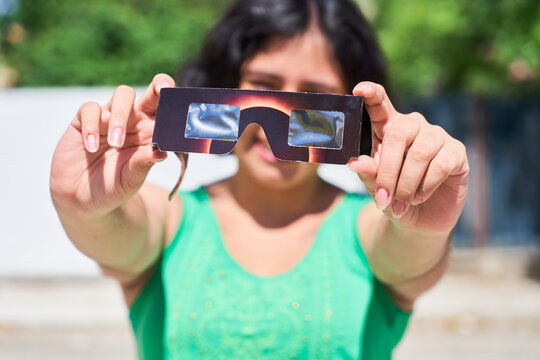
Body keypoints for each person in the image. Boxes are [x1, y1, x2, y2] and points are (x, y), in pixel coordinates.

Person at [50, 0, 469, 358]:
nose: (281, 123)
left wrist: (424, 223)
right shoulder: (172, 219)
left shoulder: (372, 224)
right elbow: (114, 231)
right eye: (262, 87)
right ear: (225, 88)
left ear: (350, 114)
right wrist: (81, 206)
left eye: (309, 101)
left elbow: (412, 250)